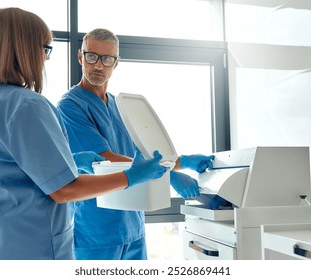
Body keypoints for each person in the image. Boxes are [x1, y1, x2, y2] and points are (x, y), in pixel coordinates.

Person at [0, 8, 167, 260]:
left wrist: (71, 161)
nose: (45, 59)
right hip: (33, 244)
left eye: (107, 59)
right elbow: (64, 190)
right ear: (25, 49)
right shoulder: (29, 105)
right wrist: (133, 175)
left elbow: (10, 169)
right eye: (45, 49)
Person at [57, 28, 215, 260]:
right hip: (97, 231)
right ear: (80, 56)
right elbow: (105, 159)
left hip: (132, 225)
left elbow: (142, 159)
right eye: (92, 56)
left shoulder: (119, 105)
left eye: (107, 59)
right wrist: (168, 175)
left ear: (116, 63)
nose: (98, 66)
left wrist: (184, 161)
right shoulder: (71, 106)